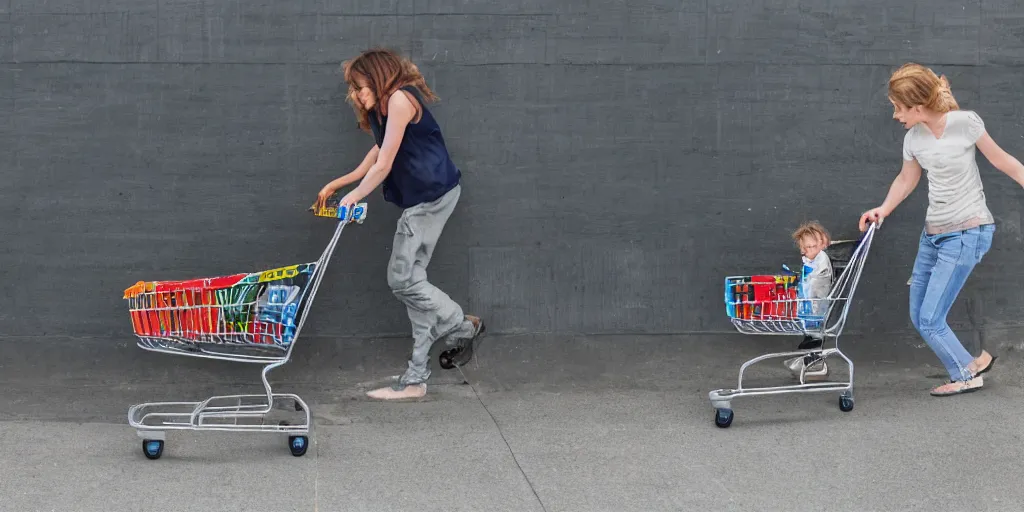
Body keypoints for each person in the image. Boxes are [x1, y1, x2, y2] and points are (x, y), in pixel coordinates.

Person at [315, 48, 485, 401]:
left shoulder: (400, 100)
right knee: (413, 287)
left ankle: (461, 324)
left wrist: (356, 196)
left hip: (431, 198)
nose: (357, 95)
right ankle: (415, 379)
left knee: (401, 278)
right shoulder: (385, 107)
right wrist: (340, 184)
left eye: (360, 86)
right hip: (425, 198)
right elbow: (377, 152)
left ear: (378, 77)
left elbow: (386, 163)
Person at [859, 62, 1024, 396]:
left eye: (898, 107)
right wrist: (883, 209)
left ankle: (966, 375)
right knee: (921, 316)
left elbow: (1002, 160)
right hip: (933, 235)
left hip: (967, 233)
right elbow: (907, 179)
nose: (895, 115)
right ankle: (973, 361)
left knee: (931, 318)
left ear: (918, 107)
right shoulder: (914, 139)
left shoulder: (966, 123)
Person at [783, 221, 833, 381]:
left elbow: (817, 284)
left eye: (810, 247)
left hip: (816, 307)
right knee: (810, 337)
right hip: (810, 308)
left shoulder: (821, 261)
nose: (806, 252)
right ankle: (809, 362)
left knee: (814, 336)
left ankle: (813, 363)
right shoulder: (811, 261)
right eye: (803, 249)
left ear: (822, 244)